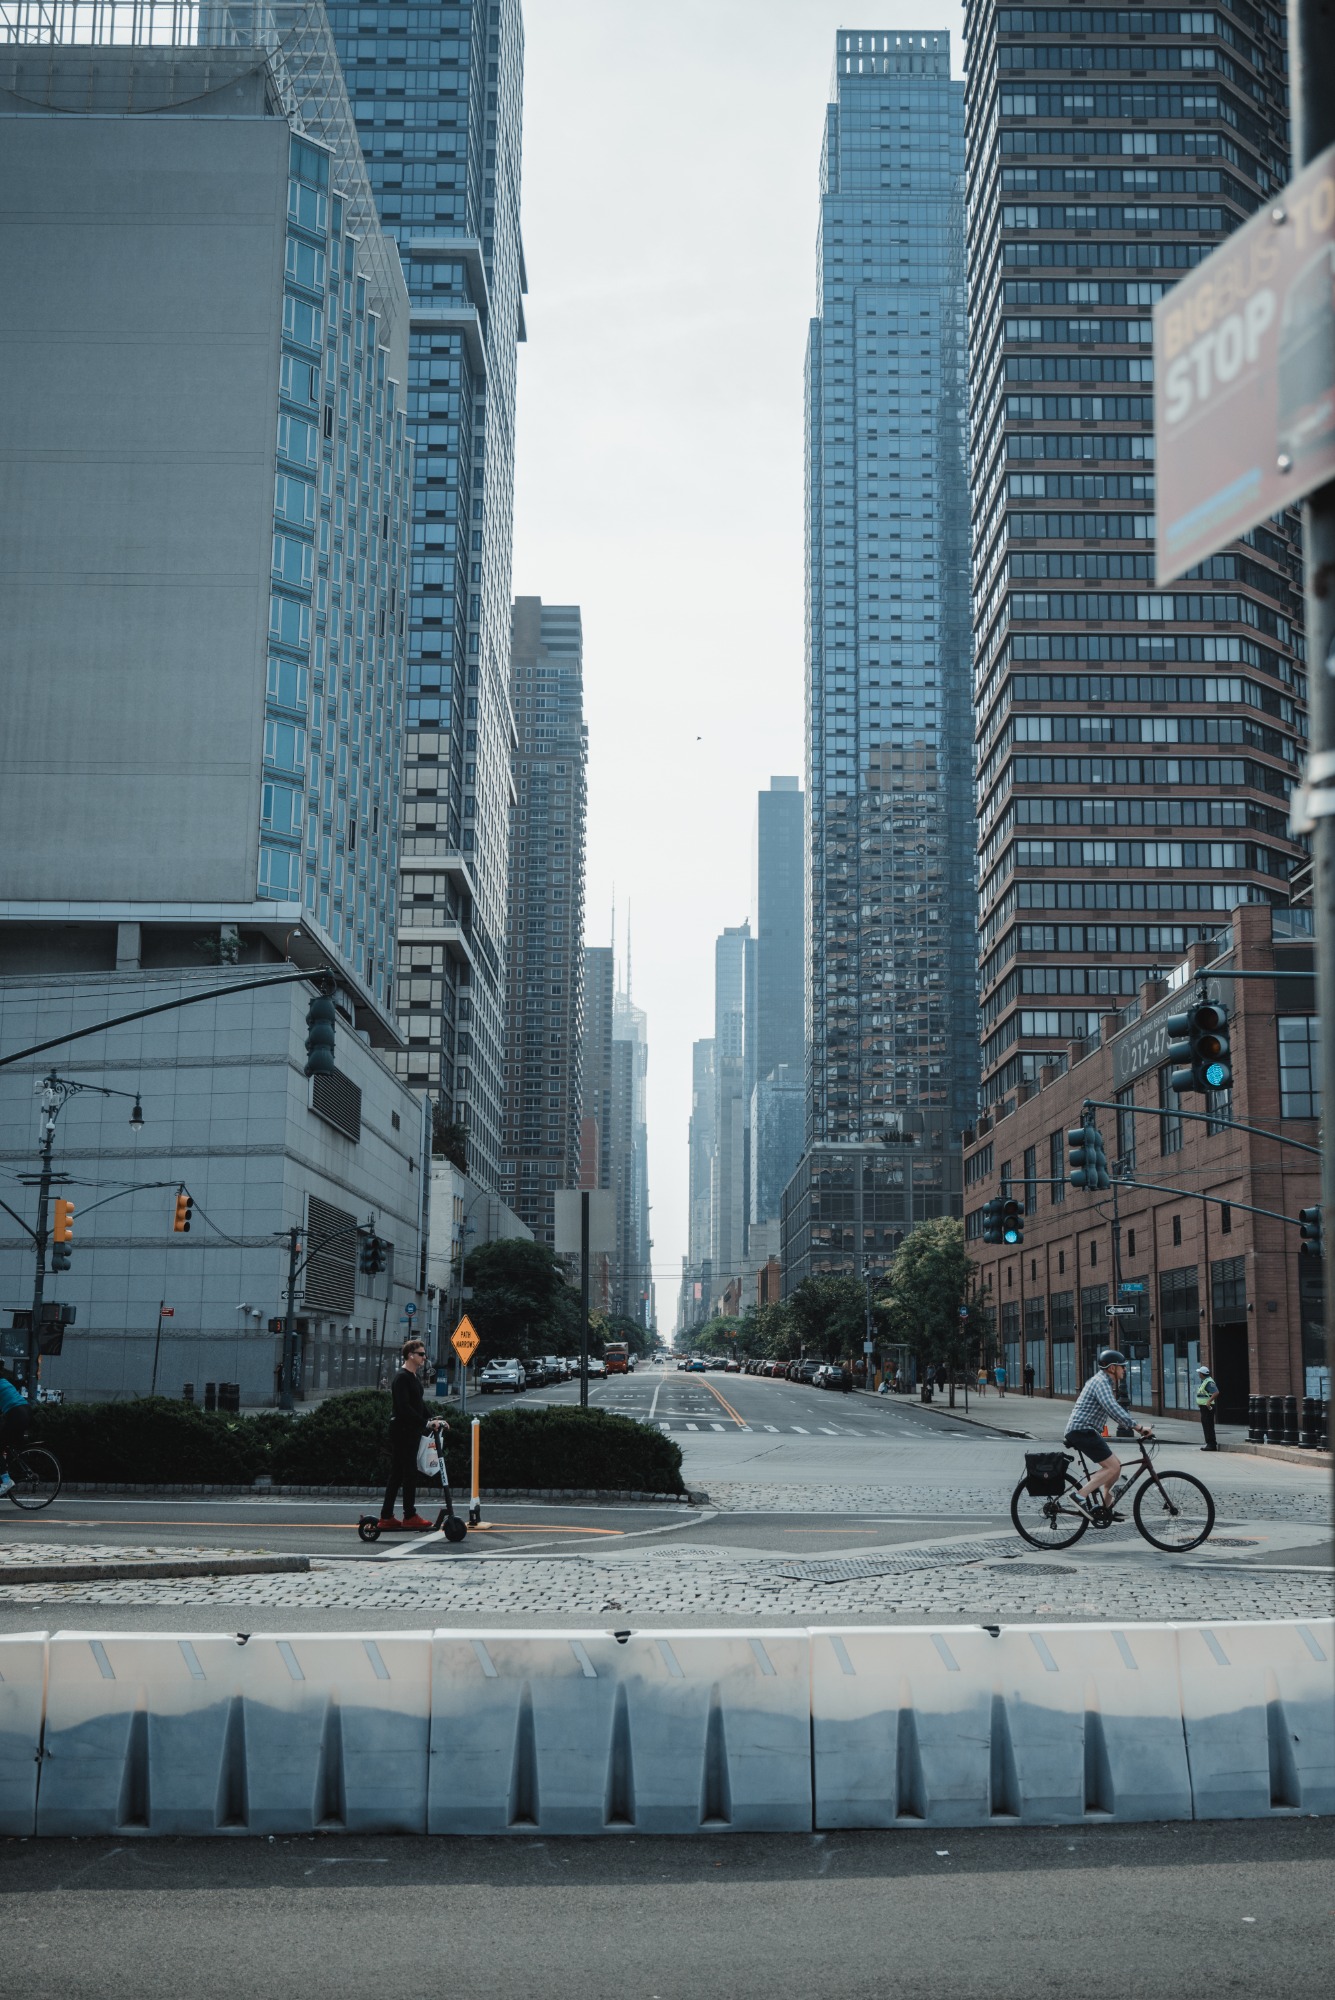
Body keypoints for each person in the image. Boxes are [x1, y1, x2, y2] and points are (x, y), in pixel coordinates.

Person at [1065, 1347, 1152, 1517]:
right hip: (1082, 1431)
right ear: (1112, 1368)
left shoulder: (1102, 1382)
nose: (1125, 1369)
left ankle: (1106, 1507)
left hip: (1085, 1431)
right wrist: (1138, 1428)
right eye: (1122, 1366)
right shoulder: (1101, 1382)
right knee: (1112, 1467)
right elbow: (1112, 1408)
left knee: (1115, 1467)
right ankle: (1079, 1496)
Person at [379, 1337, 447, 1531]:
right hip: (402, 1431)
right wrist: (426, 1422)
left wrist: (434, 1419)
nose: (424, 1357)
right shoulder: (401, 1378)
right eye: (421, 1354)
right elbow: (404, 1408)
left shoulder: (414, 1377)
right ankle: (409, 1515)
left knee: (399, 1474)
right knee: (407, 1473)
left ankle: (386, 1516)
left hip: (410, 1430)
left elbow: (419, 1405)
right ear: (410, 1355)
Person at [0, 1371, 29, 1496]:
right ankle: (9, 1471)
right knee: (6, 1444)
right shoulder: (4, 1381)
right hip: (26, 1411)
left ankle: (6, 1480)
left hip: (16, 1414)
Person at [1195, 1362, 1220, 1451]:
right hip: (1204, 1407)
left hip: (1208, 1407)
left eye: (1199, 1373)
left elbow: (1216, 1392)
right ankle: (1209, 1443)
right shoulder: (1205, 1381)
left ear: (1202, 1374)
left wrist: (1209, 1401)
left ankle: (1211, 1444)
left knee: (1208, 1425)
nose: (1198, 1374)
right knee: (1206, 1425)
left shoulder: (1209, 1382)